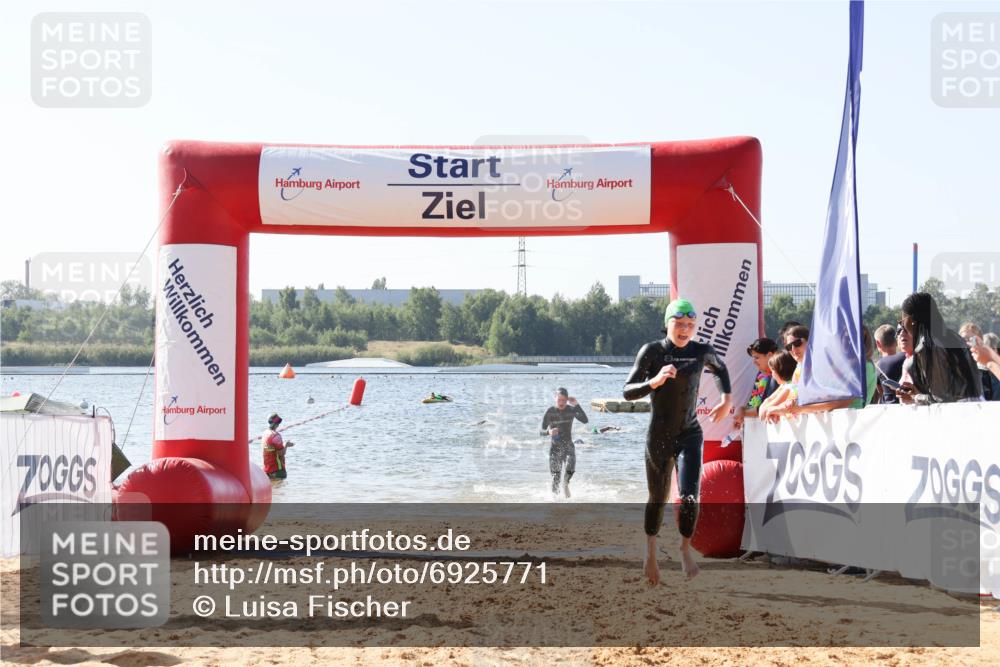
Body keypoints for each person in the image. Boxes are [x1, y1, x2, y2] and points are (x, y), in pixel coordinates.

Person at [623, 298, 732, 584]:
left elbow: (720, 369)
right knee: (657, 499)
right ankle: (650, 553)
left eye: (689, 325)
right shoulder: (652, 352)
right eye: (679, 324)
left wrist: (726, 399)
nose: (684, 330)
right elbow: (627, 391)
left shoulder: (700, 351)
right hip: (659, 436)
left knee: (690, 495)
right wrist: (654, 381)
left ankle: (685, 549)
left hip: (690, 433)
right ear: (667, 324)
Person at [895, 292, 983, 404]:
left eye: (902, 321)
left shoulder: (929, 346)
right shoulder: (952, 336)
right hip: (975, 406)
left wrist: (914, 398)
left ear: (912, 321)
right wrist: (916, 392)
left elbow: (941, 399)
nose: (903, 326)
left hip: (957, 413)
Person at [540, 387, 588, 498]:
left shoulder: (571, 410)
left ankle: (565, 484)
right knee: (555, 478)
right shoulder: (550, 411)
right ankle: (555, 504)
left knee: (570, 468)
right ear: (555, 398)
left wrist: (576, 404)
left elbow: (585, 420)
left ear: (567, 399)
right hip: (555, 448)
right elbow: (541, 431)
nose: (561, 403)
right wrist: (549, 432)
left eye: (564, 400)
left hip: (568, 446)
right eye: (559, 400)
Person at [734, 337, 780, 428]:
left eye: (757, 357)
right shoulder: (761, 375)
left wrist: (744, 413)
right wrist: (743, 412)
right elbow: (755, 404)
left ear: (770, 355)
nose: (754, 362)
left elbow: (768, 406)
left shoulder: (780, 375)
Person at [960, 324, 1000, 400]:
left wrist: (989, 362)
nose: (967, 343)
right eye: (963, 339)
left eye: (972, 340)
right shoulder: (954, 370)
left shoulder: (987, 373)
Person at [875, 324, 905, 404]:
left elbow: (881, 393)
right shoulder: (906, 357)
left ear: (878, 343)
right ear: (896, 341)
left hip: (890, 409)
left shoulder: (878, 366)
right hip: (910, 405)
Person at [262, 413, 294, 480]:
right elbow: (281, 453)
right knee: (279, 488)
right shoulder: (276, 436)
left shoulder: (265, 434)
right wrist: (286, 445)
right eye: (278, 423)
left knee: (274, 490)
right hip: (278, 471)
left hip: (267, 471)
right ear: (276, 424)